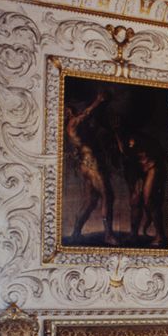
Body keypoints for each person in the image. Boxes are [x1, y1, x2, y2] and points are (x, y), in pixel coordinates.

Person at [66, 92, 116, 245]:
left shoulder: (74, 126)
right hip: (92, 164)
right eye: (70, 109)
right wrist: (98, 101)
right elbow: (87, 113)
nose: (75, 109)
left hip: (86, 164)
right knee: (107, 196)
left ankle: (76, 233)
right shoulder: (73, 123)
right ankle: (108, 235)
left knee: (90, 201)